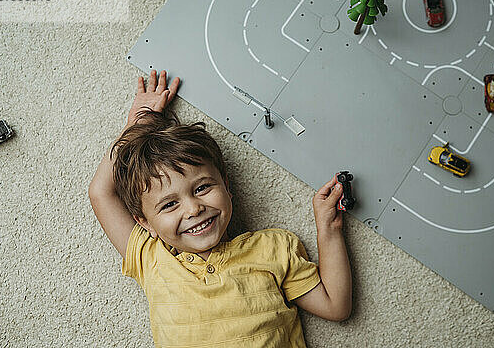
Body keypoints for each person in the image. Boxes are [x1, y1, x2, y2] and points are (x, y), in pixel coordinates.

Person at [88, 69, 352, 347]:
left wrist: (329, 230)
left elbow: (335, 306)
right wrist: (137, 127)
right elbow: (101, 193)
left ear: (226, 186)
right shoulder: (152, 258)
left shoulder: (273, 248)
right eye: (169, 204)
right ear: (146, 223)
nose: (193, 209)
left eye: (202, 188)